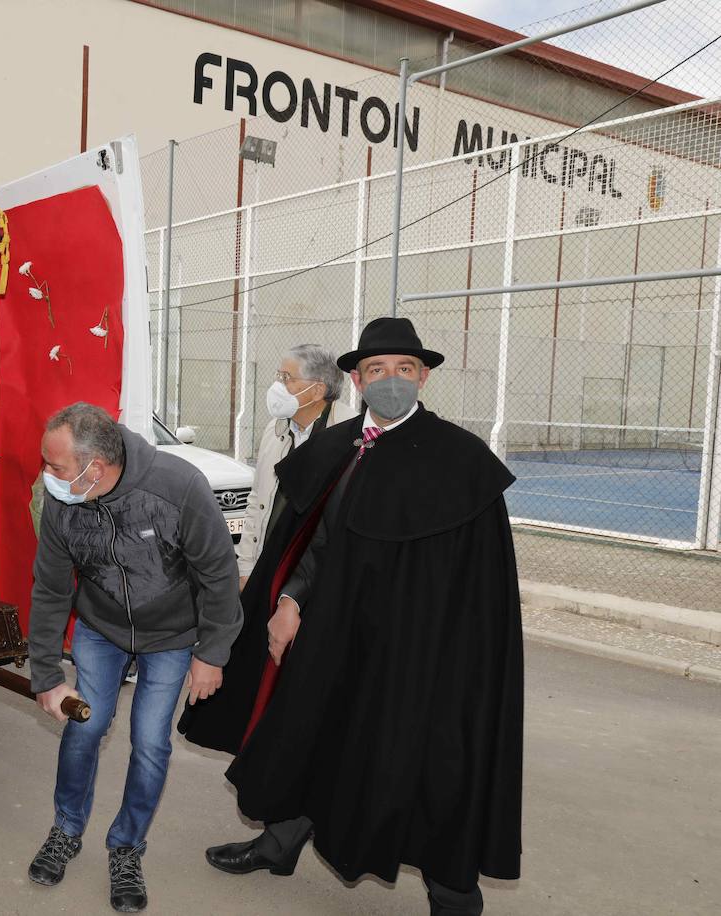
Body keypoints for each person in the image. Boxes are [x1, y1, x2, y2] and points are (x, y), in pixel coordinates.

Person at [185, 317, 522, 916]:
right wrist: (288, 600)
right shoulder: (335, 449)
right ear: (357, 380)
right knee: (309, 731)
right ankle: (281, 841)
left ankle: (452, 894)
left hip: (422, 655)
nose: (390, 379)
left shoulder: (460, 462)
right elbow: (311, 543)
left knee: (429, 765)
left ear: (422, 377)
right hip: (335, 636)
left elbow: (480, 589)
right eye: (376, 370)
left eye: (403, 369)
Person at [26, 403, 242, 913]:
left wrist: (212, 653)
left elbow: (219, 575)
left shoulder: (178, 487)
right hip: (100, 629)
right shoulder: (63, 500)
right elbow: (52, 589)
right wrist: (45, 674)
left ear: (93, 468)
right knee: (85, 726)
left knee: (149, 743)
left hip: (171, 636)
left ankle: (126, 845)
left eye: (54, 466)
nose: (46, 476)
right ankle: (66, 830)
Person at [235, 343, 358, 591]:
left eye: (287, 378)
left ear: (317, 390)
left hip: (317, 579)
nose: (277, 386)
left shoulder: (350, 435)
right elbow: (257, 500)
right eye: (278, 376)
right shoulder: (275, 429)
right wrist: (246, 566)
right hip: (268, 564)